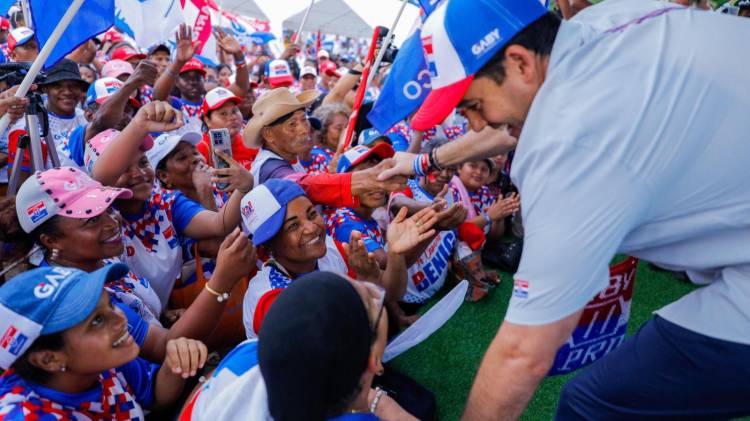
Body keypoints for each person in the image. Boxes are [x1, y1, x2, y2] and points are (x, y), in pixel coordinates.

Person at [378, 0, 750, 419]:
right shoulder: (597, 24)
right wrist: (424, 162)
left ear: (519, 63)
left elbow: (523, 354)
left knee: (590, 404)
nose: (476, 125)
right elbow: (513, 123)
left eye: (474, 106)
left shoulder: (568, 151)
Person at [0, 166, 253, 359]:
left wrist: (159, 314)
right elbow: (164, 348)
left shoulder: (96, 256)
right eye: (91, 220)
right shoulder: (77, 297)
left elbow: (138, 308)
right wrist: (221, 282)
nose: (112, 224)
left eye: (107, 210)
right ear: (52, 240)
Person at [180, 272, 418, 420]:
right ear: (372, 362)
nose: (372, 290)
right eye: (372, 299)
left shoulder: (247, 352)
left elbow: (202, 392)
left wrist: (378, 401)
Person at [86, 101, 252, 308]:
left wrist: (244, 186)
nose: (139, 174)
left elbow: (220, 224)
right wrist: (140, 124)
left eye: (143, 163)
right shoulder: (96, 219)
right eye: (124, 169)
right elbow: (101, 177)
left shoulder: (167, 203)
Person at [0, 265, 207, 419]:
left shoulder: (102, 361)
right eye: (97, 321)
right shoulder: (25, 415)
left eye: (110, 304)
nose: (121, 318)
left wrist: (174, 364)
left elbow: (153, 394)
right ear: (48, 359)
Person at [239, 178, 435, 339]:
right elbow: (328, 353)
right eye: (293, 226)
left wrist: (395, 254)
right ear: (269, 247)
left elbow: (391, 293)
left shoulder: (331, 249)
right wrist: (367, 284)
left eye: (311, 214)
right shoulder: (269, 298)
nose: (311, 227)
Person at [243, 88, 406, 208]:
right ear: (269, 134)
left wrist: (332, 174)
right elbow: (301, 185)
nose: (303, 129)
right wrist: (368, 179)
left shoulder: (287, 157)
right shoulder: (269, 167)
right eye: (292, 124)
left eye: (303, 120)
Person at [5, 59, 89, 177]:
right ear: (45, 88)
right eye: (58, 86)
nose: (67, 92)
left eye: (74, 86)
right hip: (48, 194)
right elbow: (20, 186)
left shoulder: (87, 119)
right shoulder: (28, 126)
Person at [196, 87, 258, 170]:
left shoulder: (251, 143)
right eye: (223, 113)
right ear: (207, 121)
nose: (232, 117)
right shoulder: (199, 149)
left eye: (234, 111)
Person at [310, 103, 350, 172]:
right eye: (339, 128)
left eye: (347, 128)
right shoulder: (317, 156)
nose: (345, 133)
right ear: (323, 130)